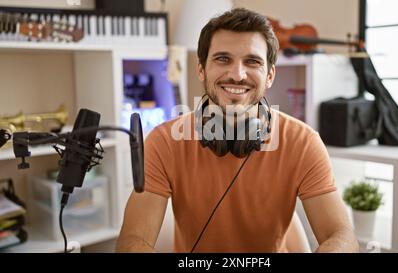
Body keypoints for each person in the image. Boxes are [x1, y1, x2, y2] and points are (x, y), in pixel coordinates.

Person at [116, 8, 358, 253]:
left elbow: (341, 236)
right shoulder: (164, 141)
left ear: (270, 74)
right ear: (201, 69)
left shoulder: (303, 142)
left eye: (252, 61)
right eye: (223, 59)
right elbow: (133, 240)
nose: (237, 74)